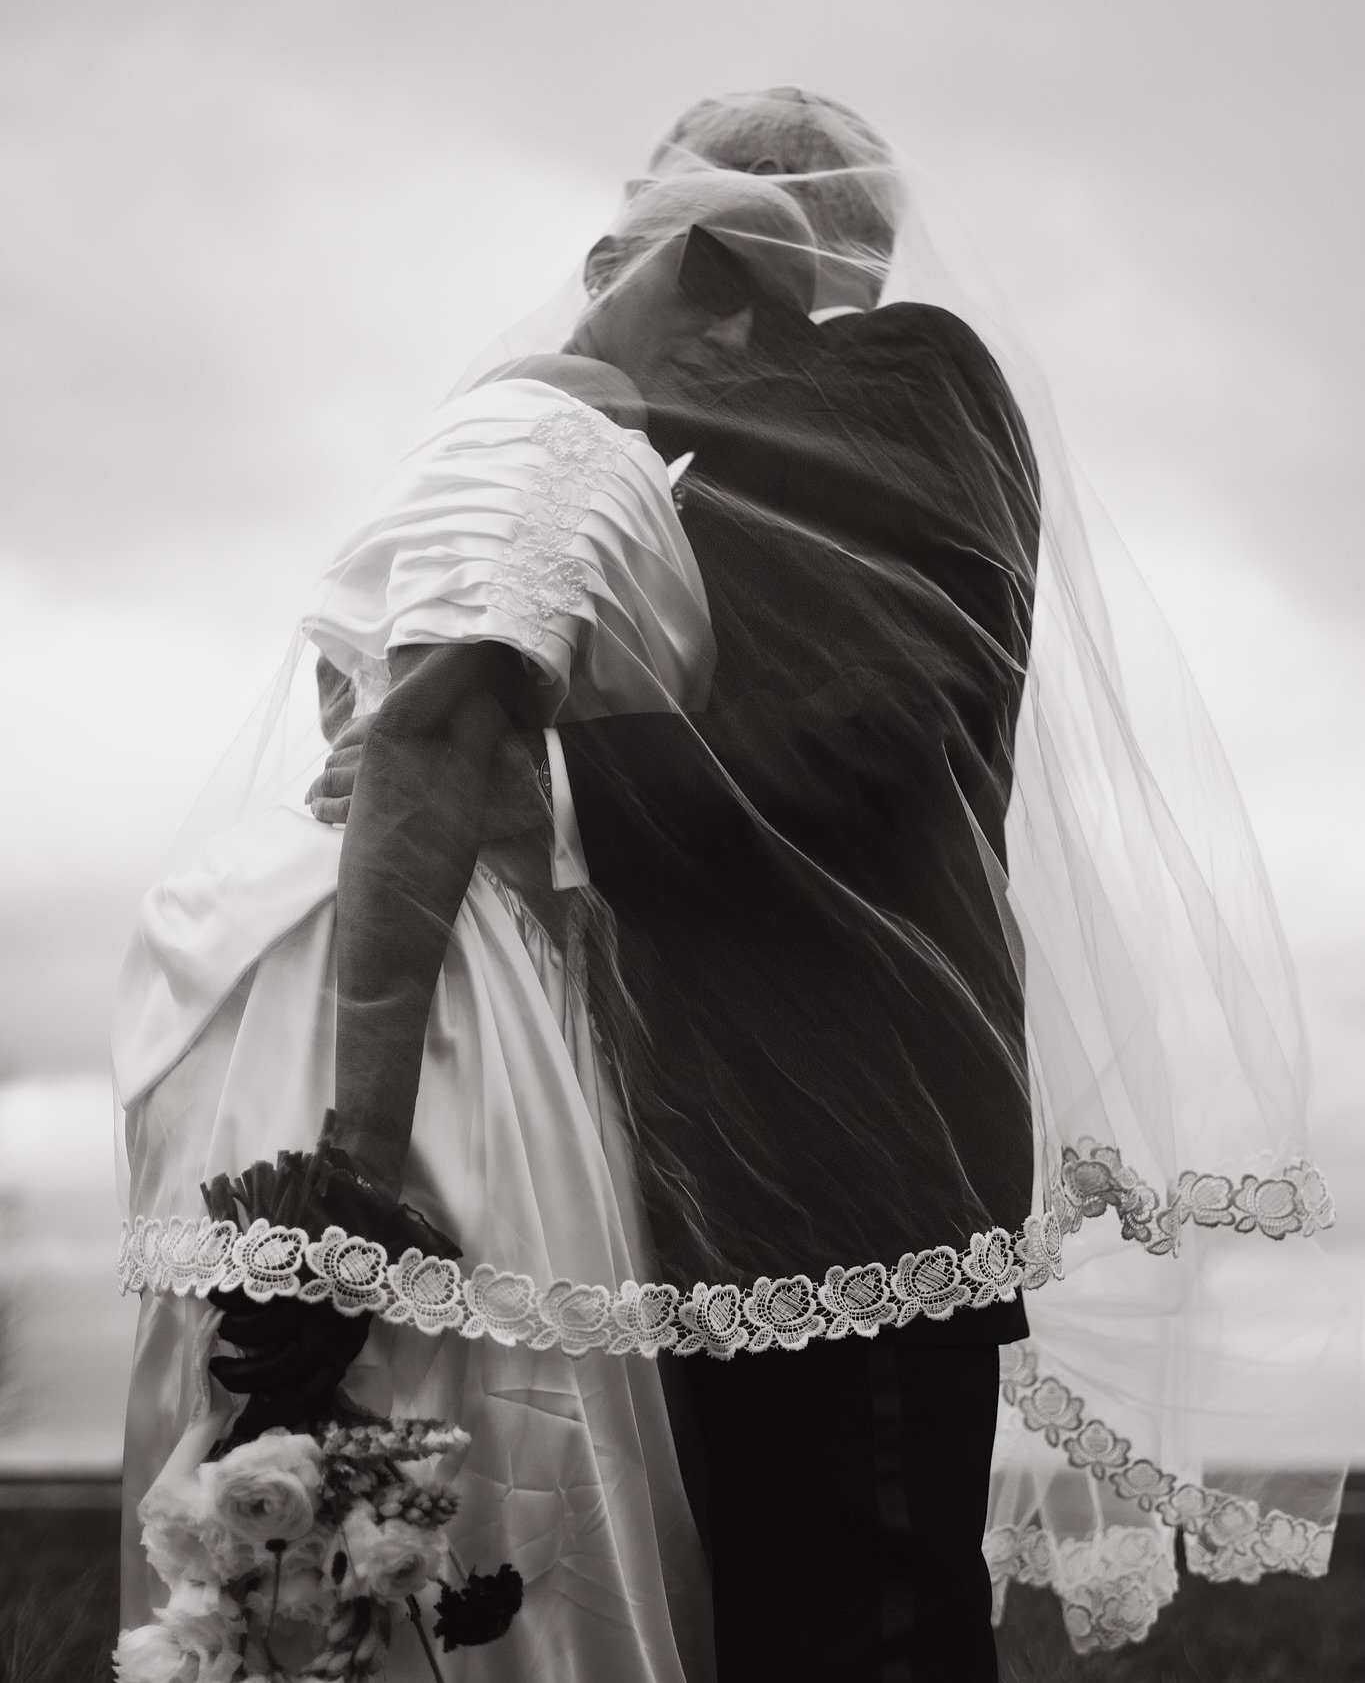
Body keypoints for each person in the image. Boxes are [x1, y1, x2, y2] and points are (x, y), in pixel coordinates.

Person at [312, 88, 1353, 1679]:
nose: (661, 283)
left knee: (853, 1631)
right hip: (633, 1150)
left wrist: (532, 779)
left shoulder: (914, 384)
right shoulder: (618, 434)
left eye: (701, 246)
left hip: (833, 1134)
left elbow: (858, 723)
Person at [112, 169, 819, 1683]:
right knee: (421, 1443)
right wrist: (356, 1162)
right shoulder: (546, 438)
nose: (742, 333)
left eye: (787, 313)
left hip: (495, 979)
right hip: (428, 1005)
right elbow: (425, 736)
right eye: (714, 283)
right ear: (616, 260)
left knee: (437, 1490)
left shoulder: (602, 456)